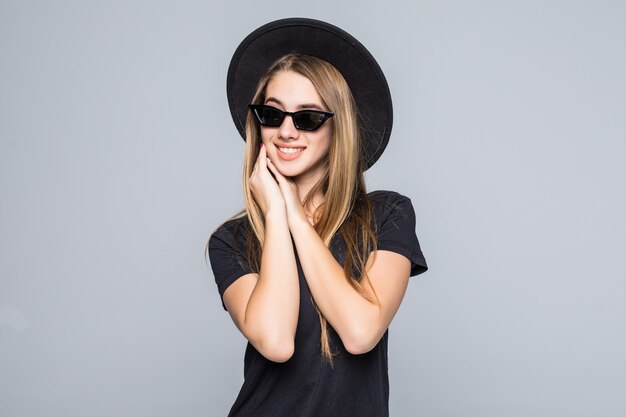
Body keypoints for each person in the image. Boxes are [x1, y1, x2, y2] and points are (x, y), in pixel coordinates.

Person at [208, 18, 428, 417]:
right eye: (272, 115)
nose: (287, 131)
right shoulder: (231, 240)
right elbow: (276, 342)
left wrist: (295, 214)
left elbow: (361, 332)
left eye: (307, 117)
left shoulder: (387, 216)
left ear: (336, 127)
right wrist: (276, 214)